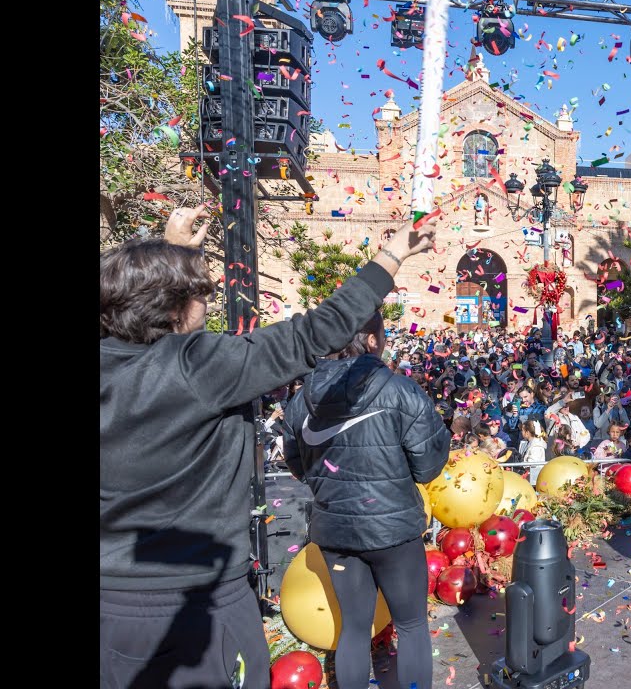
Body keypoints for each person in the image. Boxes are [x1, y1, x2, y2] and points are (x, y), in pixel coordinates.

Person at [101, 208, 435, 689]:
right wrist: (393, 252)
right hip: (198, 603)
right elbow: (316, 331)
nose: (206, 302)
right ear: (176, 306)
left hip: (112, 602)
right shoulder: (199, 368)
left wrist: (176, 258)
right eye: (201, 294)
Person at [281, 311, 449, 689]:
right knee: (411, 625)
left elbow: (297, 464)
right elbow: (429, 466)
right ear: (372, 340)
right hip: (394, 530)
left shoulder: (302, 398)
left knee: (353, 630)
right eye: (383, 334)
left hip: (336, 530)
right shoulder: (401, 390)